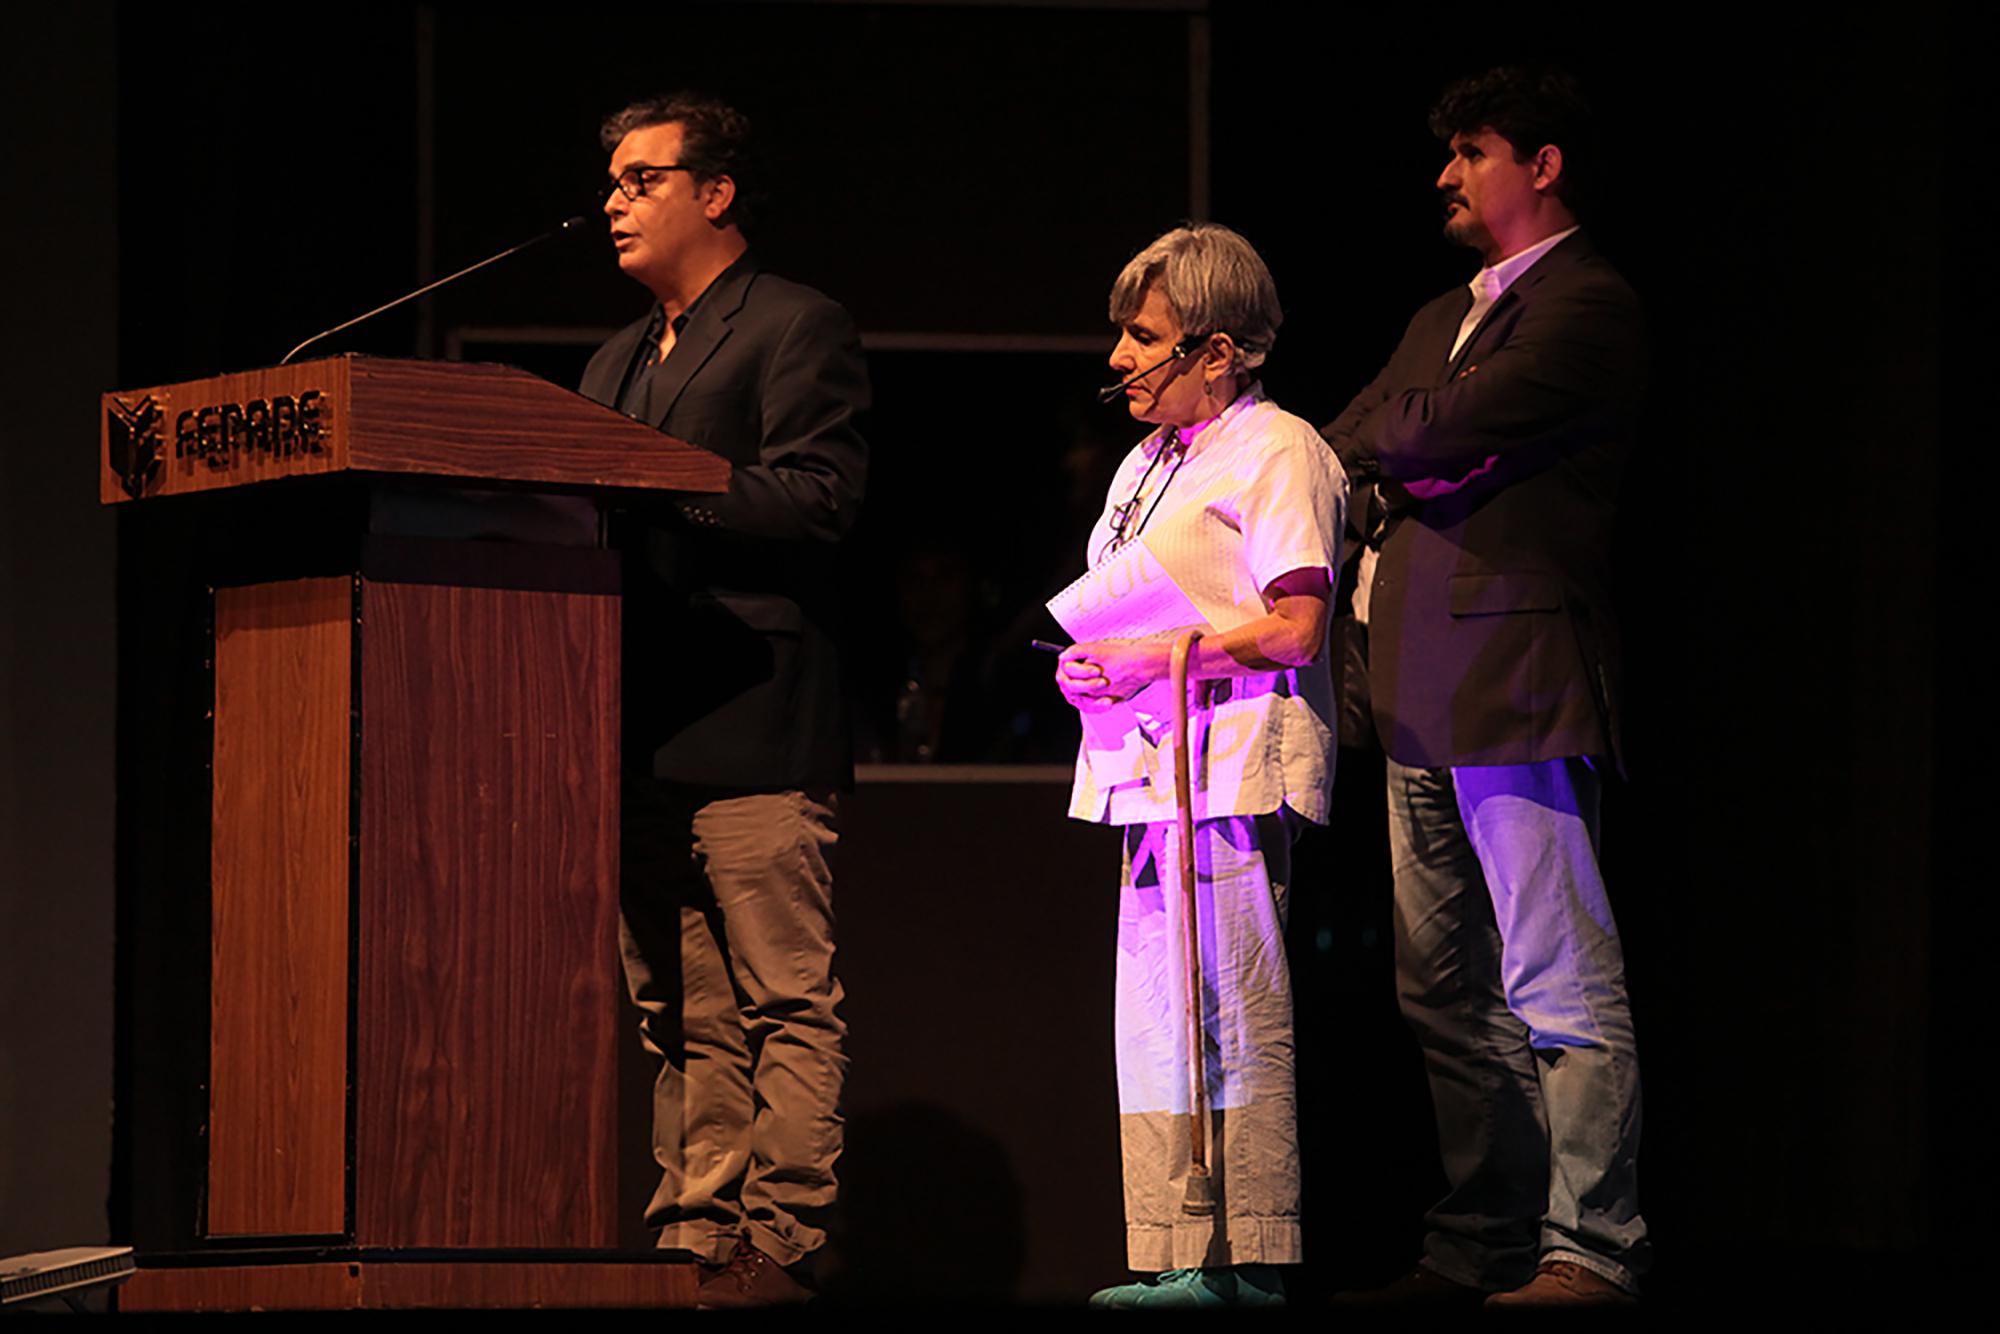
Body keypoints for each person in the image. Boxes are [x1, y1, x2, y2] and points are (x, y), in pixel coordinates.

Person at [1320, 67, 1650, 1307]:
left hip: (1513, 674)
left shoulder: (1588, 302)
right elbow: (1353, 432)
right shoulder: (1437, 314)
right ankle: (1483, 1242)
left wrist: (1417, 441)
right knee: (1444, 991)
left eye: (1469, 150)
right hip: (1411, 686)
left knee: (1555, 974)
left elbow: (1429, 432)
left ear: (1543, 163)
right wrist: (1418, 437)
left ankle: (1592, 1245)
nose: (1446, 176)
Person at [578, 92, 869, 1309]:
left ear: (715, 192)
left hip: (753, 715)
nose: (613, 201)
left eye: (642, 179)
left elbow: (817, 499)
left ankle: (784, 1238)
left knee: (780, 996)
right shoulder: (608, 359)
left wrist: (668, 479)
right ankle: (697, 1233)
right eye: (611, 181)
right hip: (641, 722)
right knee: (678, 1008)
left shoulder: (794, 325)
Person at [1055, 224, 1347, 1308]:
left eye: (1145, 339)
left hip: (1231, 764)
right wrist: (1096, 667)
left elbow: (1295, 626)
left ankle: (1248, 1261)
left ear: (1218, 352)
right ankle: (1176, 1251)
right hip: (1150, 762)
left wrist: (1152, 654)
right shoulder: (1145, 462)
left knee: (1231, 1005)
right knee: (1159, 1018)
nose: (1121, 360)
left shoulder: (1281, 450)